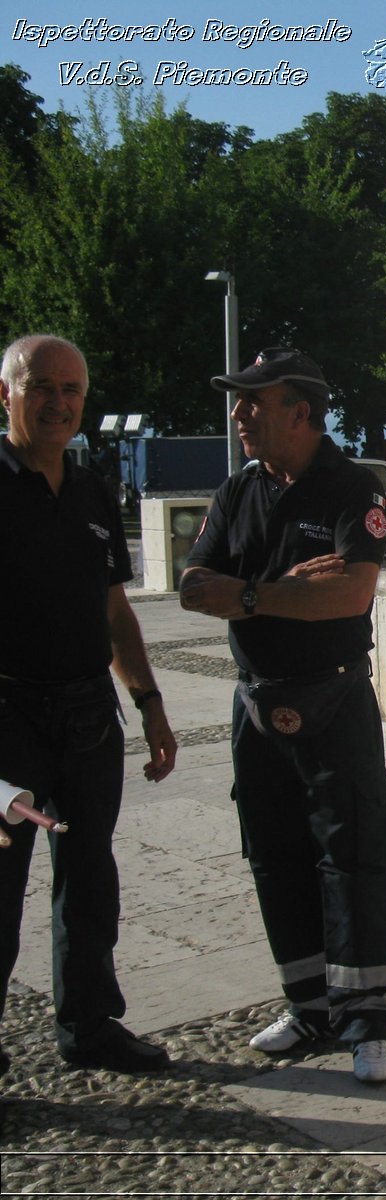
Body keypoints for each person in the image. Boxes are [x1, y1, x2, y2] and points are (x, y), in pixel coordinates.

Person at [178, 347, 386, 1085]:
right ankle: (308, 1004)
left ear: (300, 413)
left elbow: (348, 595)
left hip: (332, 698)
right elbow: (191, 587)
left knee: (355, 853)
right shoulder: (238, 490)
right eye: (239, 402)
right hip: (256, 699)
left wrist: (243, 592)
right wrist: (274, 589)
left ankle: (365, 1019)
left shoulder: (349, 488)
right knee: (273, 852)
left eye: (254, 402)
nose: (240, 415)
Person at [0, 334, 178, 1074]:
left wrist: (150, 705)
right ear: (5, 394)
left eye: (72, 391)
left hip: (85, 721)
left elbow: (115, 614)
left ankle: (90, 1026)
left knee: (89, 879)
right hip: (7, 722)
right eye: (41, 386)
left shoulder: (94, 491)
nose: (58, 403)